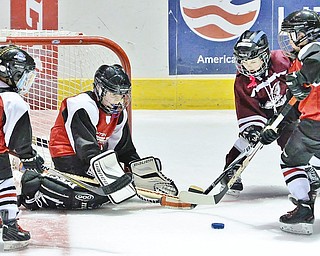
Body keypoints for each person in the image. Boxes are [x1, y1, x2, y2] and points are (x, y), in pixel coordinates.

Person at [18, 64, 178, 210]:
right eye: (114, 94)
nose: (120, 100)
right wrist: (117, 178)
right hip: (69, 158)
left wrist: (139, 171)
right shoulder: (81, 105)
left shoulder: (119, 114)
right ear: (100, 90)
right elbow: (86, 150)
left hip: (93, 160)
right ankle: (36, 189)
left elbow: (124, 149)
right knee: (93, 197)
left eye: (122, 95)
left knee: (111, 194)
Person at [260, 9, 320, 235]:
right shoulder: (298, 61)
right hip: (312, 124)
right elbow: (293, 102)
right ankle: (314, 175)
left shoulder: (312, 50)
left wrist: (303, 78)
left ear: (307, 34)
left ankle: (303, 209)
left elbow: (317, 63)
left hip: (315, 126)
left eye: (293, 34)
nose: (288, 39)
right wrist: (275, 125)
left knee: (291, 161)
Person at [220, 30, 302, 195]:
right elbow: (247, 109)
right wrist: (254, 130)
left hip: (288, 112)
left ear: (264, 56)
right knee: (247, 140)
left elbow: (302, 81)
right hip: (263, 114)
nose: (247, 67)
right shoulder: (242, 82)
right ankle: (231, 170)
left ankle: (304, 172)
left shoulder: (283, 61)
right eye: (244, 62)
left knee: (295, 143)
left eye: (252, 61)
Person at [0, 45, 44, 250]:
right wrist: (30, 157)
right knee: (6, 184)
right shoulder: (13, 100)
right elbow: (20, 141)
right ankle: (10, 227)